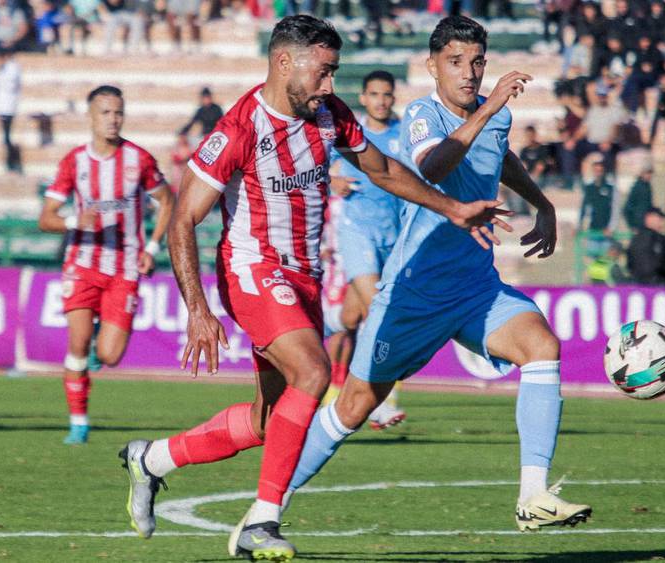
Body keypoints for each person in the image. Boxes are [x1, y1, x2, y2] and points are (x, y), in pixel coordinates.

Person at [115, 15, 510, 561]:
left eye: (334, 72)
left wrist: (453, 208)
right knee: (314, 372)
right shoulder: (239, 129)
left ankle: (151, 459)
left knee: (268, 421)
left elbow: (383, 170)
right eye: (323, 72)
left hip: (305, 278)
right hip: (253, 270)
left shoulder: (328, 114)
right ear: (284, 63)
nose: (330, 84)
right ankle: (262, 521)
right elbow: (183, 219)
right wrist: (198, 310)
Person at [282, 13, 590, 543]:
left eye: (477, 62)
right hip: (414, 293)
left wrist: (542, 203)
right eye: (455, 62)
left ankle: (533, 497)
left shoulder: (494, 116)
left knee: (542, 346)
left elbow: (500, 156)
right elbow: (433, 167)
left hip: (474, 289)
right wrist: (488, 108)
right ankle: (271, 502)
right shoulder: (422, 115)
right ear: (432, 66)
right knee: (353, 407)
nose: (468, 73)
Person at [37, 85, 174, 445]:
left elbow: (167, 201)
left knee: (110, 355)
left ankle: (100, 334)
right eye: (106, 113)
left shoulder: (139, 160)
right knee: (77, 342)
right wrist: (73, 221)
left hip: (125, 268)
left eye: (118, 112)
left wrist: (153, 247)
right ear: (91, 117)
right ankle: (78, 422)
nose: (113, 119)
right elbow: (46, 218)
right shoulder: (74, 162)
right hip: (82, 263)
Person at [326, 70, 406, 430]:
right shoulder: (349, 132)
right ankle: (379, 400)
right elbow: (312, 165)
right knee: (382, 309)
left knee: (350, 319)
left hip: (394, 236)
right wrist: (333, 180)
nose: (381, 101)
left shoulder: (404, 135)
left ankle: (317, 324)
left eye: (386, 94)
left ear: (393, 97)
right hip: (356, 232)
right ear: (363, 98)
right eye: (374, 94)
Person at [0, 48, 21, 173]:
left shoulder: (13, 68)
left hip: (8, 106)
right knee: (5, 136)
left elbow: (10, 85)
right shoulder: (1, 69)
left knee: (8, 136)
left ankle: (12, 163)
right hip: (2, 106)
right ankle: (10, 162)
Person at [627, 207, 665, 286]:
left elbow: (630, 263)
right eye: (659, 218)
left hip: (638, 284)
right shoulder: (658, 239)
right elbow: (662, 263)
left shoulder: (635, 238)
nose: (662, 222)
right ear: (649, 218)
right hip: (656, 284)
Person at [623, 166, 653, 232]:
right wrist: (632, 226)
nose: (649, 176)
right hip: (638, 226)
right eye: (647, 173)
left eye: (650, 173)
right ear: (642, 173)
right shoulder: (636, 187)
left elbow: (649, 206)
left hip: (647, 226)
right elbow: (626, 209)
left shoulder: (648, 187)